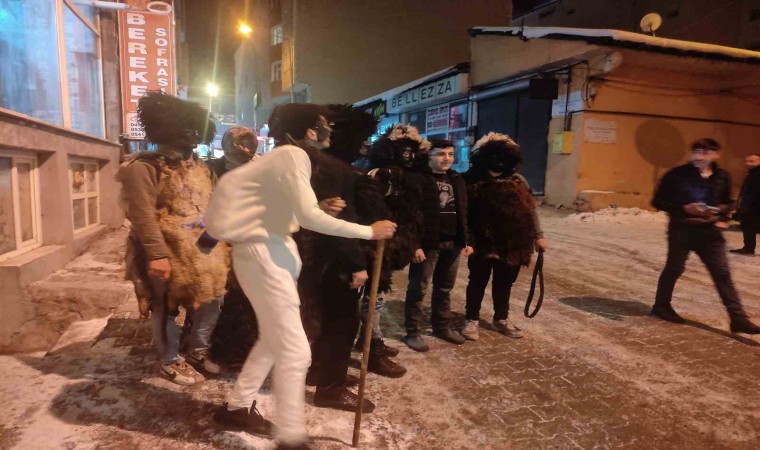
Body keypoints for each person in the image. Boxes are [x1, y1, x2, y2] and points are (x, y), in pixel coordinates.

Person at [205, 103, 396, 449]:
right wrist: (370, 231)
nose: (329, 130)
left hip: (272, 253)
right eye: (324, 125)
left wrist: (316, 210)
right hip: (264, 255)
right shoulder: (293, 155)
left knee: (273, 341)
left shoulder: (278, 160)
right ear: (309, 131)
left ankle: (237, 408)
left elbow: (281, 209)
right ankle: (291, 439)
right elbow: (307, 217)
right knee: (296, 353)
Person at [119, 92, 228, 386]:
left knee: (212, 300)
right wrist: (156, 255)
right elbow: (142, 215)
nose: (192, 134)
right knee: (165, 305)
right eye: (186, 127)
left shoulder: (204, 168)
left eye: (196, 128)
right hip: (165, 249)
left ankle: (197, 352)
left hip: (205, 249)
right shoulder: (144, 167)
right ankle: (169, 360)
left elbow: (215, 206)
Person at [296, 104, 388, 413]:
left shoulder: (324, 165)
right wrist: (355, 264)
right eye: (362, 137)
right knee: (341, 324)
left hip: (320, 259)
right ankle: (330, 390)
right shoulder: (335, 169)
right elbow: (340, 222)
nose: (366, 144)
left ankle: (322, 372)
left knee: (327, 322)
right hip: (335, 260)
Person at [651, 138, 760, 334]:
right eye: (697, 151)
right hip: (681, 230)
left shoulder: (722, 176)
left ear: (716, 155)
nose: (700, 156)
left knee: (722, 274)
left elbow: (726, 201)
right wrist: (683, 208)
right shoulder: (676, 175)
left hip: (710, 233)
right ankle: (661, 306)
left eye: (706, 152)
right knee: (675, 268)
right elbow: (657, 201)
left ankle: (738, 319)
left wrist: (723, 215)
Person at [461, 133, 547, 341]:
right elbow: (463, 213)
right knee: (477, 281)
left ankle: (500, 319)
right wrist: (466, 240)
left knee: (504, 283)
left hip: (513, 241)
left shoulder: (518, 180)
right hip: (482, 241)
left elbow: (530, 210)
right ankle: (471, 319)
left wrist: (539, 236)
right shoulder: (471, 180)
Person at [403, 139, 472, 352]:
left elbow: (463, 212)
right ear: (429, 156)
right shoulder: (417, 180)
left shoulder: (457, 179)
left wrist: (466, 240)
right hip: (428, 244)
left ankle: (441, 327)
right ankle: (412, 332)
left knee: (444, 288)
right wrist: (414, 245)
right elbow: (409, 215)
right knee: (418, 289)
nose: (447, 158)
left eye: (450, 154)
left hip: (452, 243)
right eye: (441, 154)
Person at [208, 126, 260, 365]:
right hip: (220, 242)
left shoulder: (261, 168)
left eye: (248, 143)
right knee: (221, 296)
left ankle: (246, 348)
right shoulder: (211, 171)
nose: (243, 148)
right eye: (237, 144)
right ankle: (219, 349)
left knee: (250, 297)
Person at [730, 154, 760, 256]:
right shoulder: (752, 173)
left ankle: (748, 248)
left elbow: (753, 193)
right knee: (748, 227)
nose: (748, 163)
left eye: (752, 161)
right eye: (747, 161)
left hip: (754, 208)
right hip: (751, 207)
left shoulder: (756, 174)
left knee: (748, 227)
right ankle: (748, 248)